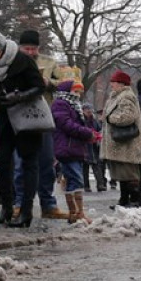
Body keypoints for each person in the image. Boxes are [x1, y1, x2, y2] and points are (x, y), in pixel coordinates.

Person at [0, 27, 44, 228]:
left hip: (27, 118)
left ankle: (26, 210)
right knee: (3, 162)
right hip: (4, 118)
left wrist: (20, 96)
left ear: (1, 47)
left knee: (29, 163)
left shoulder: (22, 60)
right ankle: (6, 207)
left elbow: (39, 86)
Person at [14, 30, 67, 220]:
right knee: (21, 163)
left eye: (33, 48)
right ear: (20, 47)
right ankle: (19, 202)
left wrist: (48, 82)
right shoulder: (12, 61)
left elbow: (62, 83)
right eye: (26, 48)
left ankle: (48, 204)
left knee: (46, 162)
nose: (30, 52)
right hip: (20, 117)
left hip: (44, 117)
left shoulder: (49, 62)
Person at [51, 80, 99, 224]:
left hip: (74, 147)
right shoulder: (60, 104)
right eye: (76, 91)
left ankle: (77, 213)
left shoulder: (74, 105)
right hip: (67, 147)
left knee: (75, 179)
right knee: (76, 178)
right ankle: (76, 212)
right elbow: (66, 124)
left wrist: (90, 131)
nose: (78, 95)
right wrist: (86, 132)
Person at [101, 70, 141, 208]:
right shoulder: (117, 96)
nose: (111, 84)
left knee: (129, 173)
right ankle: (124, 199)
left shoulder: (126, 96)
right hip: (121, 143)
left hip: (128, 143)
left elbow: (128, 116)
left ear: (121, 83)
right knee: (123, 173)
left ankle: (134, 199)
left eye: (113, 82)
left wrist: (110, 118)